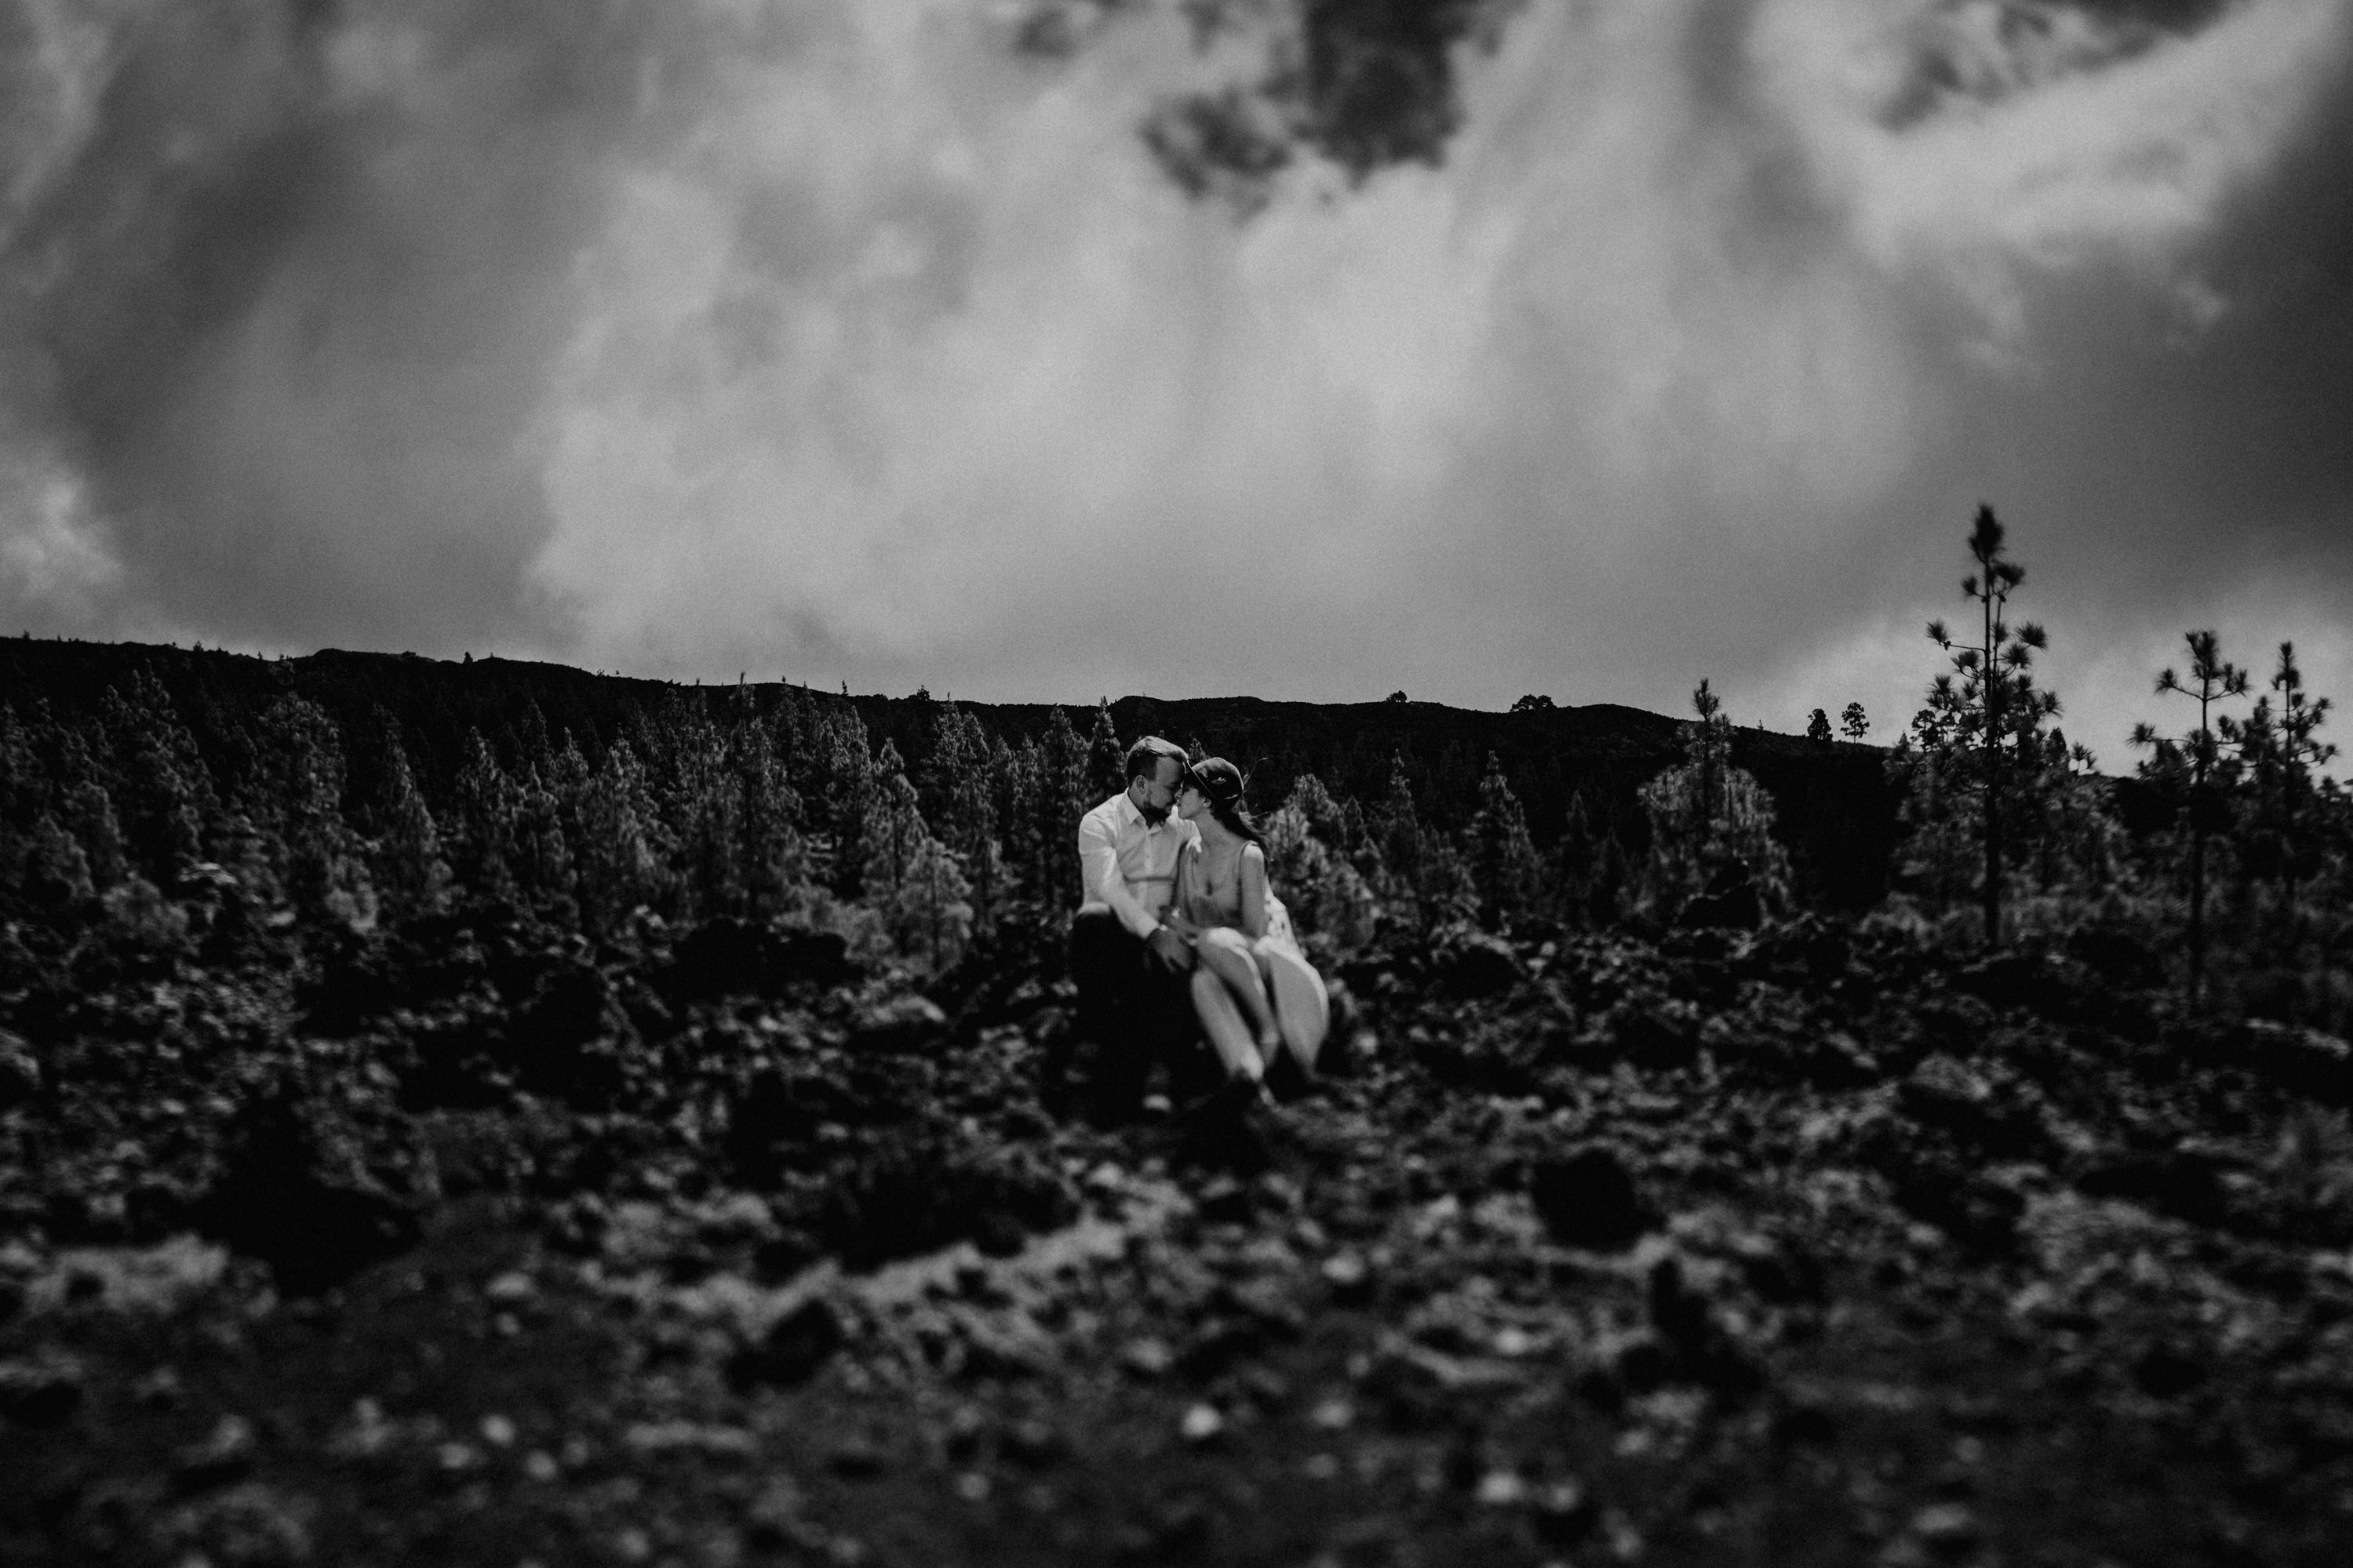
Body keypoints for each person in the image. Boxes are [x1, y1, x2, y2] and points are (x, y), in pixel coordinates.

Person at [1167, 757, 1326, 1099]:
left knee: (1216, 941)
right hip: (1216, 962)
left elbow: (1255, 936)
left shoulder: (1248, 855)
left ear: (1208, 800)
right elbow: (1178, 917)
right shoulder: (1189, 853)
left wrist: (1199, 936)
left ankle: (1270, 1032)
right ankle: (1249, 1078)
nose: (1179, 794)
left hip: (1274, 967)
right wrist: (1194, 935)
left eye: (1188, 788)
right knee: (1201, 983)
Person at [1066, 737, 1203, 1115]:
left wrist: (1172, 929)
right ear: (1142, 784)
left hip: (1165, 937)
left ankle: (1161, 1067)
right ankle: (1090, 1039)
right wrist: (1152, 934)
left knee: (1181, 943)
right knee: (1092, 919)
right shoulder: (1099, 823)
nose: (1178, 798)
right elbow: (1109, 887)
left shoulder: (1182, 826)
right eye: (1172, 788)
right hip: (1117, 943)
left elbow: (1203, 864)